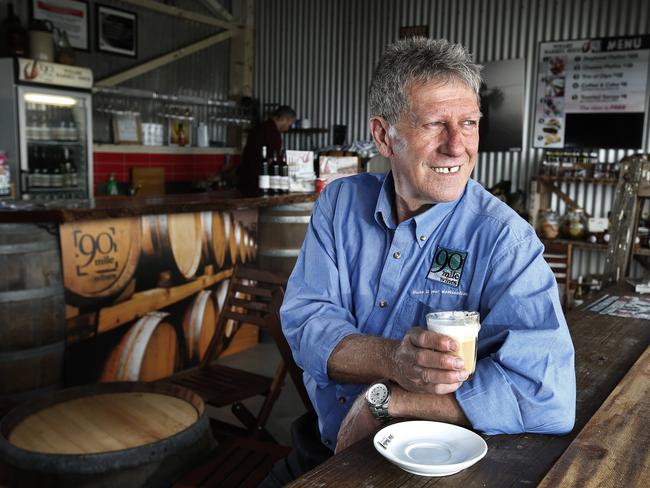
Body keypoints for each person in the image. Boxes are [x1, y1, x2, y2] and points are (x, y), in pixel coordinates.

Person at [280, 36, 576, 466]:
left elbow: (547, 396)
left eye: (470, 123)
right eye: (435, 123)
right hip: (324, 447)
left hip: (429, 465)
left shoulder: (504, 240)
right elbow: (306, 322)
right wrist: (393, 360)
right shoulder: (339, 204)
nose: (457, 146)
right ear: (384, 136)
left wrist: (389, 401)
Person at [236, 105, 296, 196]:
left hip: (246, 178)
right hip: (259, 182)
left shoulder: (258, 128)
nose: (288, 128)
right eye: (289, 124)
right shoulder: (273, 133)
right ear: (285, 119)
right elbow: (271, 160)